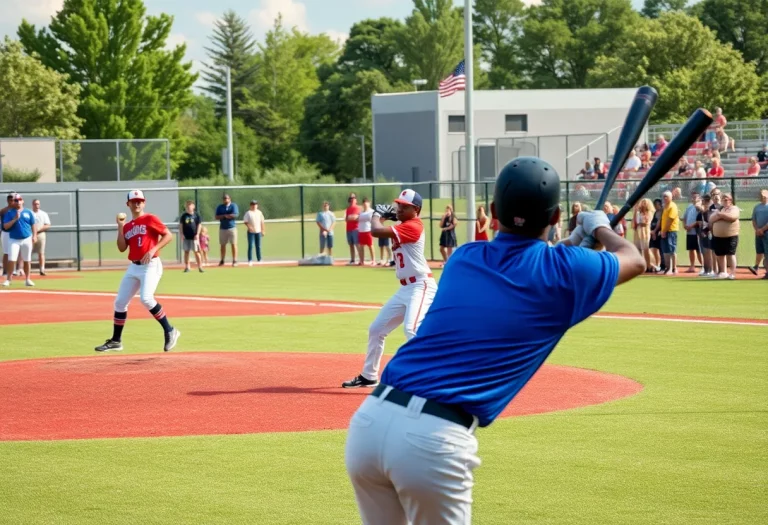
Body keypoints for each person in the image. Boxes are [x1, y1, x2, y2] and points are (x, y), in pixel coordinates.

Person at [344, 157, 645, 524]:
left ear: (493, 212)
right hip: (434, 440)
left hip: (370, 424)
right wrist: (600, 228)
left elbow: (528, 263)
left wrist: (572, 242)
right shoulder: (565, 273)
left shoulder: (467, 257)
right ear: (553, 218)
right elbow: (634, 259)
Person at [342, 189, 437, 389]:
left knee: (412, 329)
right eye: (399, 204)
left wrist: (378, 215)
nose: (399, 208)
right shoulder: (404, 224)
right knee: (377, 329)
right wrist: (384, 216)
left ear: (416, 210)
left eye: (404, 206)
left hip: (421, 285)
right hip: (406, 288)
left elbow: (376, 231)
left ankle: (429, 378)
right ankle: (369, 376)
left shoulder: (414, 226)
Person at [94, 190, 181, 352]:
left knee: (146, 299)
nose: (137, 203)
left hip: (151, 265)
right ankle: (116, 341)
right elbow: (121, 248)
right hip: (134, 267)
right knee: (120, 302)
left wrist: (153, 249)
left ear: (144, 203)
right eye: (134, 201)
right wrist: (120, 227)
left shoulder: (150, 219)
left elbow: (168, 235)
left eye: (140, 200)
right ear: (128, 204)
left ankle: (170, 330)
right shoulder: (127, 226)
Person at [1, 193, 37, 287]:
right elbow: (5, 226)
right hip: (14, 239)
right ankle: (8, 279)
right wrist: (14, 219)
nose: (18, 202)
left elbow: (33, 224)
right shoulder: (9, 212)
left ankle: (28, 279)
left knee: (27, 260)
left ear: (23, 201)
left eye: (20, 200)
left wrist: (35, 235)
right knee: (11, 259)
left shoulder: (28, 212)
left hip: (26, 238)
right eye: (16, 200)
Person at [709, 193, 740, 279]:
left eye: (727, 199)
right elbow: (711, 219)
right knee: (720, 255)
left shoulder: (734, 208)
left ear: (731, 200)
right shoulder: (719, 209)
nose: (725, 201)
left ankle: (732, 273)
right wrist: (720, 215)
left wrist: (721, 215)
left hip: (731, 236)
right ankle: (723, 272)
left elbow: (733, 217)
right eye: (723, 199)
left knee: (731, 254)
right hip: (718, 236)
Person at [179, 200, 203, 273]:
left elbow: (199, 225)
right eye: (187, 206)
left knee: (196, 251)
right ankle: (187, 267)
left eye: (190, 206)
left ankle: (200, 267)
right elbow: (181, 225)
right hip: (186, 237)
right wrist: (182, 234)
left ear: (193, 207)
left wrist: (197, 234)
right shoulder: (184, 216)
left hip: (194, 237)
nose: (188, 207)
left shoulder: (196, 215)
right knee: (186, 252)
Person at [215, 193, 239, 267]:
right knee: (222, 245)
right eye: (224, 199)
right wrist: (225, 216)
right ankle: (222, 260)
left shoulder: (233, 206)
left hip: (232, 227)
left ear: (230, 199)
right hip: (223, 228)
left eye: (227, 198)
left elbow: (235, 215)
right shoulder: (220, 207)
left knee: (233, 244)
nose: (225, 200)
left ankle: (234, 260)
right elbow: (216, 216)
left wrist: (225, 216)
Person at [749, 189, 768, 278]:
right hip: (758, 232)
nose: (762, 196)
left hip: (766, 232)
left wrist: (763, 229)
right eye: (760, 195)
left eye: (764, 195)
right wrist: (757, 229)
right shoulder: (757, 207)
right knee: (759, 250)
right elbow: (754, 220)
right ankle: (756, 267)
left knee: (767, 252)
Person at [660, 190, 679, 275]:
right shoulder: (665, 207)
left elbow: (670, 220)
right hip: (664, 231)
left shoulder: (672, 206)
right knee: (665, 250)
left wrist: (664, 230)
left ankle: (674, 268)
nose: (664, 198)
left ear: (671, 197)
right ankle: (668, 267)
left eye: (666, 196)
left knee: (672, 249)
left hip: (671, 230)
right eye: (664, 196)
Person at [682, 192, 702, 273]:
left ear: (699, 199)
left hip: (697, 232)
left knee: (699, 250)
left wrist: (691, 226)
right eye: (693, 197)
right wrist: (685, 225)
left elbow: (699, 220)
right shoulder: (689, 207)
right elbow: (684, 218)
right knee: (691, 249)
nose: (694, 199)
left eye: (696, 197)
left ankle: (704, 266)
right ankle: (692, 266)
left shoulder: (700, 207)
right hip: (689, 232)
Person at [31, 199, 51, 276]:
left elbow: (48, 225)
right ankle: (26, 270)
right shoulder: (30, 213)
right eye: (35, 204)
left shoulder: (44, 214)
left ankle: (42, 269)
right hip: (31, 235)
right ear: (32, 205)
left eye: (38, 204)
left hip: (41, 235)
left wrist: (38, 230)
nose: (37, 206)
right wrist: (33, 232)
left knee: (41, 253)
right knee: (28, 253)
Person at [697, 194, 715, 277]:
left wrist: (705, 231)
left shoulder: (709, 209)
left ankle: (710, 270)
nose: (701, 202)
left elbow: (709, 222)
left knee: (708, 252)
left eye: (703, 200)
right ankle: (706, 270)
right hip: (703, 232)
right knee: (705, 252)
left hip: (708, 233)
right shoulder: (704, 210)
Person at [632, 198, 653, 272]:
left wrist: (639, 224)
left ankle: (649, 265)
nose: (643, 204)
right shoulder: (638, 213)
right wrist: (635, 211)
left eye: (645, 203)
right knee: (638, 249)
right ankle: (640, 266)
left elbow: (646, 222)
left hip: (645, 231)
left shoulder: (649, 213)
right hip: (638, 231)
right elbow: (634, 222)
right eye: (642, 202)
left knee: (646, 249)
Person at [243, 200, 265, 265]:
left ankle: (259, 259)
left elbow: (262, 222)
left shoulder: (259, 213)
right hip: (251, 232)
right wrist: (249, 227)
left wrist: (263, 230)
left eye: (255, 204)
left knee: (258, 246)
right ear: (250, 206)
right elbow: (245, 221)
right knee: (251, 245)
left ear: (257, 205)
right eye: (252, 204)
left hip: (258, 231)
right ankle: (250, 260)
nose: (254, 206)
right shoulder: (248, 213)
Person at [357, 198, 375, 265]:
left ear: (369, 203)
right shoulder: (361, 213)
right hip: (361, 231)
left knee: (370, 245)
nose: (365, 204)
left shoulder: (372, 211)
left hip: (368, 230)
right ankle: (361, 261)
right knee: (361, 246)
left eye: (366, 203)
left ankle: (373, 260)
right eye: (364, 203)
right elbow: (358, 219)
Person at [649, 198, 665, 273]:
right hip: (653, 233)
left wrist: (655, 231)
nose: (655, 206)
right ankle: (656, 264)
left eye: (656, 204)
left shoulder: (662, 212)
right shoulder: (655, 212)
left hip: (659, 233)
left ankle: (662, 265)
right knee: (653, 248)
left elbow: (659, 223)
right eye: (654, 205)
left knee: (661, 250)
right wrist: (652, 232)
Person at [345, 193, 361, 265]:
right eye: (351, 198)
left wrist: (351, 217)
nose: (352, 199)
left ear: (356, 200)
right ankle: (352, 259)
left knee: (357, 244)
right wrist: (351, 217)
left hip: (355, 229)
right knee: (351, 244)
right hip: (348, 229)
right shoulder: (348, 209)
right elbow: (347, 218)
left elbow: (355, 218)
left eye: (353, 198)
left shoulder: (357, 208)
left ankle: (361, 259)